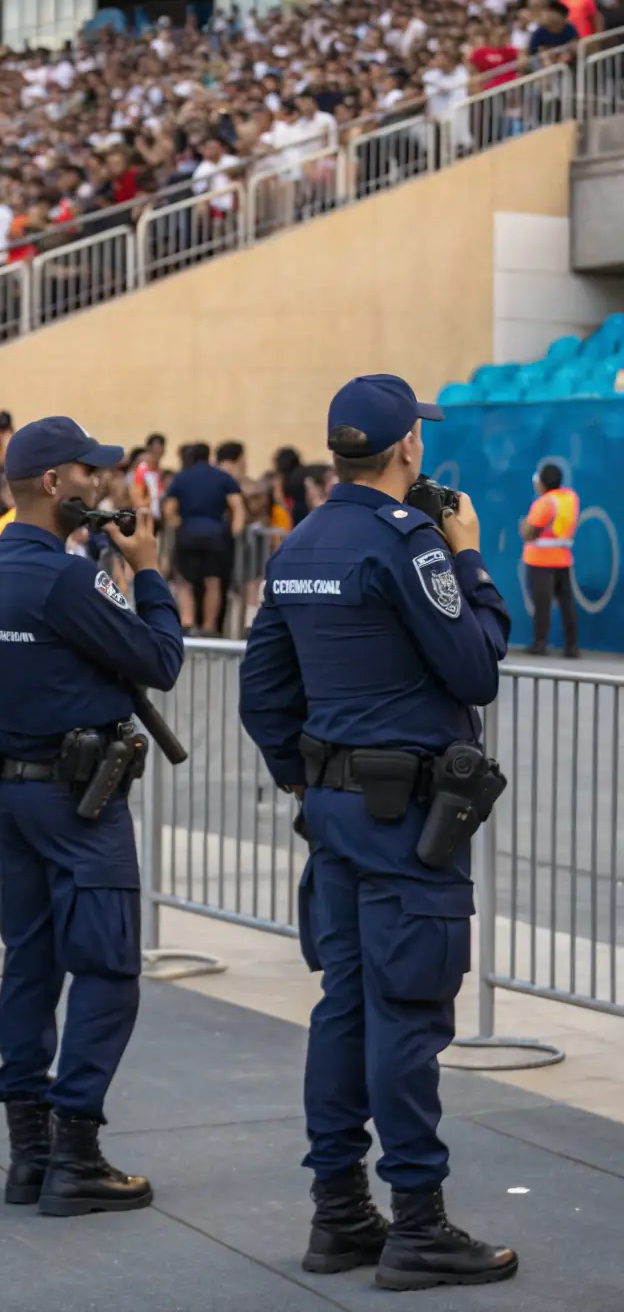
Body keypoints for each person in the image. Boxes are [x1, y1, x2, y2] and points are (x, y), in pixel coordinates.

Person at [238, 375, 517, 1292]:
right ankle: (420, 1224)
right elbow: (474, 667)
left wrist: (315, 778)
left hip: (339, 813)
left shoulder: (300, 543)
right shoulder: (413, 546)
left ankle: (339, 1213)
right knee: (406, 1014)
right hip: (408, 823)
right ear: (406, 449)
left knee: (347, 1008)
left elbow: (263, 694)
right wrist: (469, 559)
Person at [0, 416, 184, 1217]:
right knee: (108, 970)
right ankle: (77, 1149)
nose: (102, 486)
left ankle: (30, 1151)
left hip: (16, 793)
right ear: (54, 484)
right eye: (89, 472)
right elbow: (159, 659)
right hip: (77, 801)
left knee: (30, 963)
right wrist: (147, 572)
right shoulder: (65, 575)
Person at [163, 442, 246, 635]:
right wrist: (234, 532)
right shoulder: (223, 478)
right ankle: (209, 626)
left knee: (185, 581)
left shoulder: (182, 478)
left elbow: (169, 509)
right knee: (213, 581)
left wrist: (179, 525)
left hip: (188, 534)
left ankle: (188, 621)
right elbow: (237, 506)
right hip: (216, 536)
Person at [520, 462, 579, 657]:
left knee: (542, 603)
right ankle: (572, 646)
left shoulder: (544, 503)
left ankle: (539, 644)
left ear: (543, 482)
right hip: (562, 559)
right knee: (566, 602)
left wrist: (523, 527)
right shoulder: (569, 499)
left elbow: (531, 532)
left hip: (540, 561)